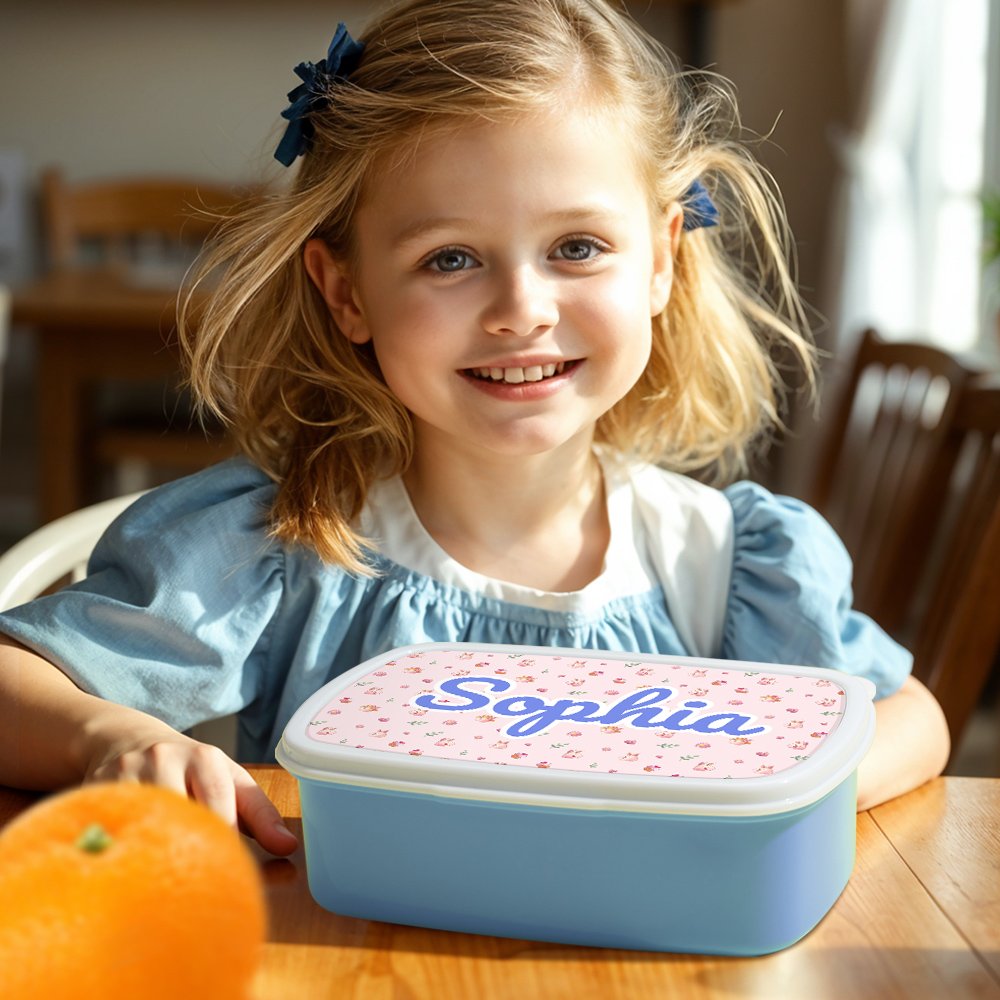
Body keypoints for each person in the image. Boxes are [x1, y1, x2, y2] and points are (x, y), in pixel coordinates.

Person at [0, 0, 949, 856]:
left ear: (661, 260)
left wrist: (792, 797)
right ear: (347, 291)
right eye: (450, 258)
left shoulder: (724, 565)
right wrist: (110, 735)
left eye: (577, 247)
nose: (521, 309)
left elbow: (912, 718)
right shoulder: (279, 549)